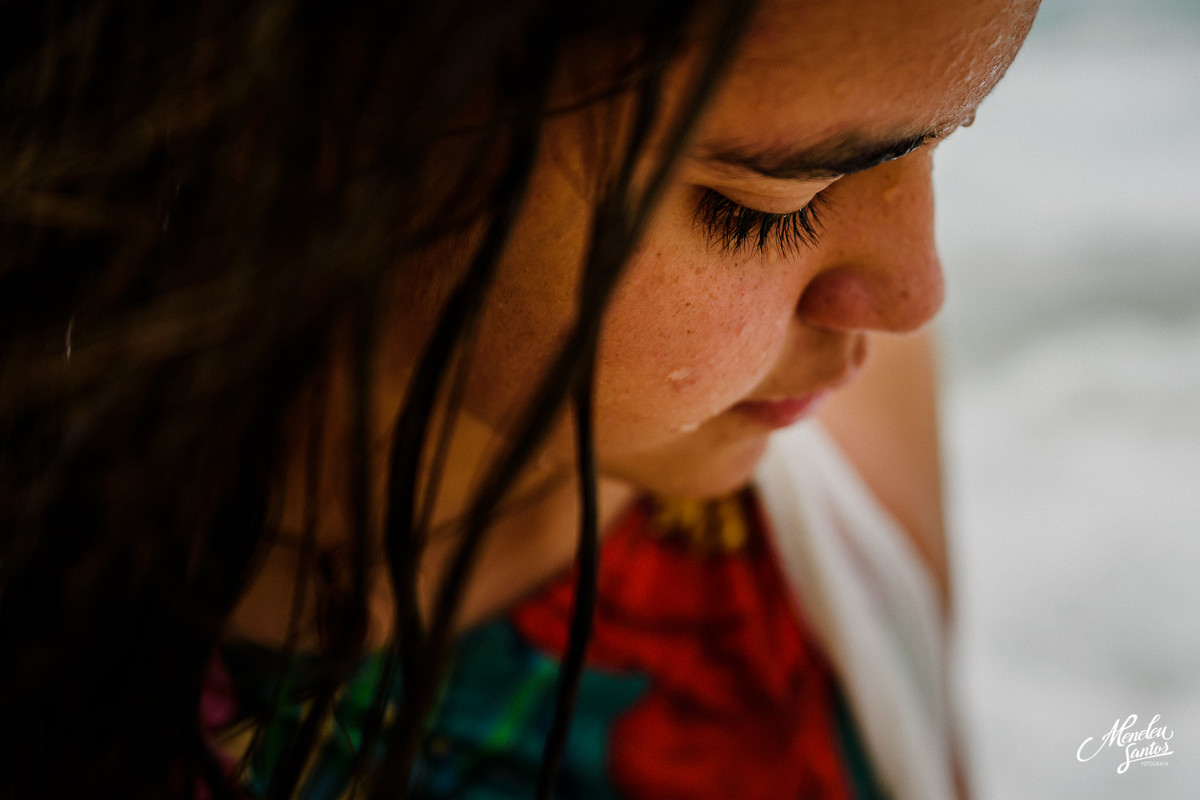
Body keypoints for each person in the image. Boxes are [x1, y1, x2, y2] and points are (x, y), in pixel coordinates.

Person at [0, 0, 1039, 797]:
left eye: (939, 145)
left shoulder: (835, 458)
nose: (916, 294)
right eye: (769, 206)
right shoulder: (57, 621)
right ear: (328, 115)